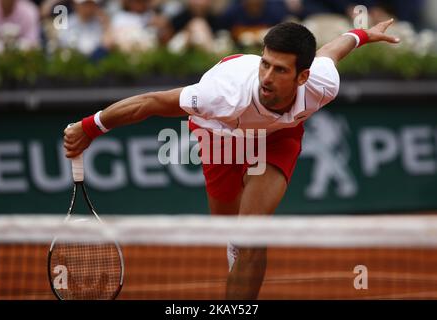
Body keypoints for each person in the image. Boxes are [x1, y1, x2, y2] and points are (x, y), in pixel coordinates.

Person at [64, 19, 400, 299]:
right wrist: (91, 127)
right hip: (220, 134)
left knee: (250, 235)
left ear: (303, 76)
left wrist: (364, 35)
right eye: (265, 63)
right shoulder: (221, 95)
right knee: (227, 225)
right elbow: (151, 102)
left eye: (280, 69)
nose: (267, 76)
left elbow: (331, 50)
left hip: (278, 137)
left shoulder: (322, 84)